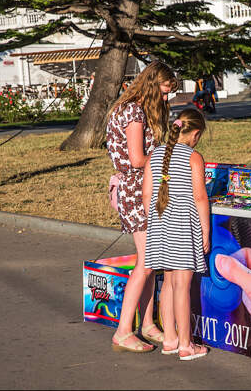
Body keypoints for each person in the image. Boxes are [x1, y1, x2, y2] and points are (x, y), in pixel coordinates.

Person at [106, 61, 177, 353]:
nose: (166, 98)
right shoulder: (134, 112)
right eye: (164, 92)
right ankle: (124, 331)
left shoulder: (126, 108)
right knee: (147, 263)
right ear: (151, 85)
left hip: (133, 188)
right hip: (136, 190)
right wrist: (171, 155)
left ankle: (147, 324)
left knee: (150, 261)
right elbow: (137, 159)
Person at [143, 108, 210, 360]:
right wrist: (205, 231)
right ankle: (186, 345)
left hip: (159, 225)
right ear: (195, 133)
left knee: (169, 284)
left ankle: (169, 338)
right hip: (184, 226)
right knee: (182, 285)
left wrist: (157, 222)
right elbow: (200, 197)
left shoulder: (154, 155)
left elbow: (147, 195)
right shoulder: (193, 157)